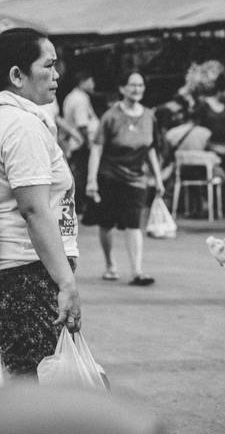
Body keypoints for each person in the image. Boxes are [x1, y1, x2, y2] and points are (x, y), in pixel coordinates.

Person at [0, 28, 81, 377]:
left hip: (18, 272)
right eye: (48, 65)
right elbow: (33, 209)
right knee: (32, 383)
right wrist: (65, 282)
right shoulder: (22, 126)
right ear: (17, 75)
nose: (56, 74)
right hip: (28, 274)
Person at [84, 71, 164, 286]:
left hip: (137, 179)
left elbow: (151, 149)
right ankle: (110, 264)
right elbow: (97, 149)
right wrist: (91, 180)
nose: (137, 89)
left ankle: (137, 271)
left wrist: (158, 179)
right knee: (107, 223)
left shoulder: (149, 116)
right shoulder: (110, 116)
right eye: (132, 85)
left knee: (134, 223)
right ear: (122, 88)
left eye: (140, 85)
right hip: (110, 176)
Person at [62, 71, 99, 215]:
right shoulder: (80, 99)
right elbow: (82, 124)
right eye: (91, 80)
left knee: (77, 174)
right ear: (83, 82)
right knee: (80, 175)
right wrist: (89, 143)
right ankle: (78, 207)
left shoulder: (72, 96)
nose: (93, 84)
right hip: (80, 142)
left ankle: (77, 206)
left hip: (74, 142)